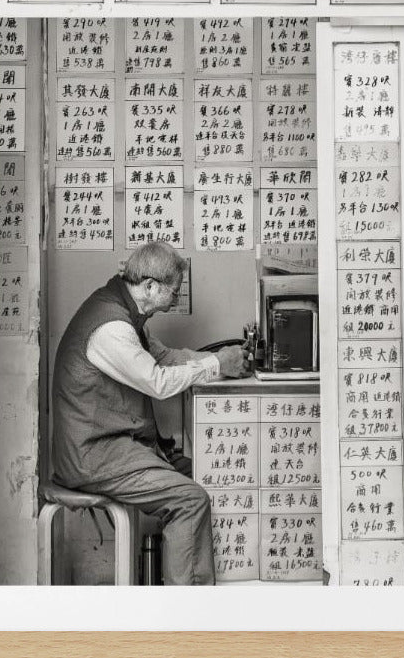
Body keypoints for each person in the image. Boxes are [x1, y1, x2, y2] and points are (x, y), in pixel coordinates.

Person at [51, 241, 247, 585]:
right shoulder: (112, 329)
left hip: (112, 447)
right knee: (189, 499)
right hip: (92, 456)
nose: (177, 296)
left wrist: (221, 363)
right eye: (175, 289)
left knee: (207, 470)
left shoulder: (125, 315)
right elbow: (157, 382)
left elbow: (164, 358)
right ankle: (182, 611)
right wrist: (215, 363)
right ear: (151, 287)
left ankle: (201, 594)